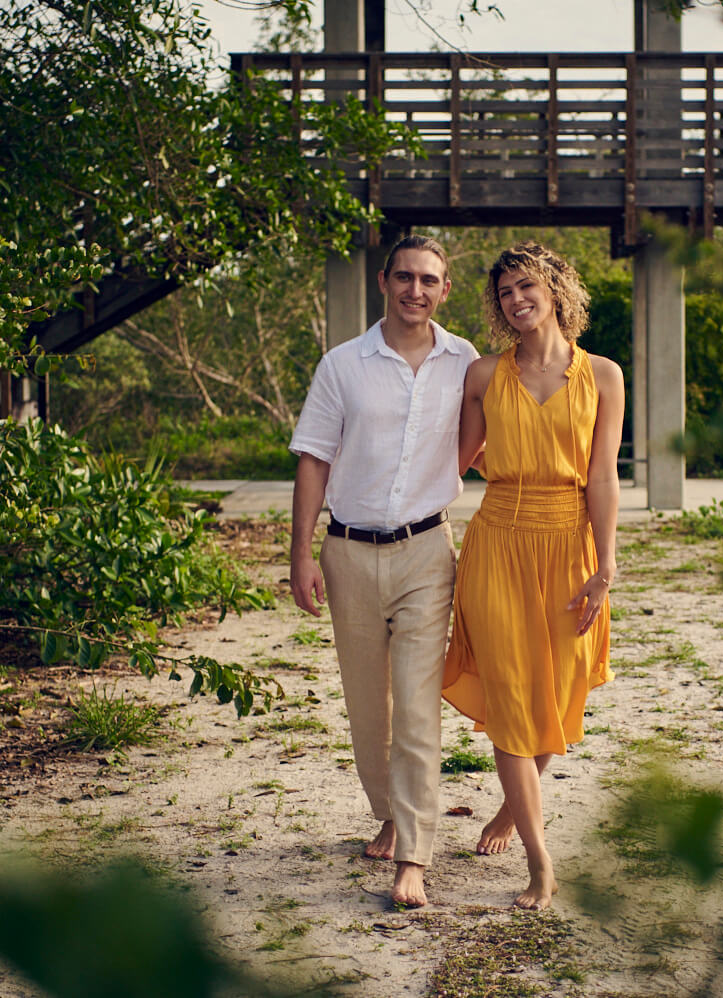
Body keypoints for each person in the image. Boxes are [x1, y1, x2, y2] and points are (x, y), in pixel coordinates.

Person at [288, 235, 480, 907]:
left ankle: (415, 860)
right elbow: (312, 457)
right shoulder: (343, 366)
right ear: (383, 281)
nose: (416, 290)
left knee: (418, 707)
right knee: (370, 706)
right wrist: (300, 554)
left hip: (428, 552)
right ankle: (390, 811)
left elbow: (480, 436)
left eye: (430, 280)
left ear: (445, 289)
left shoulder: (466, 363)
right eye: (405, 277)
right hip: (347, 552)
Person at [442, 240, 624, 910]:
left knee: (558, 696)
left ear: (555, 288)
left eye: (526, 287)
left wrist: (606, 566)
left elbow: (602, 476)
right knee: (515, 700)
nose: (517, 301)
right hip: (498, 542)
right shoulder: (484, 376)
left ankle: (512, 809)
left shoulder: (604, 374)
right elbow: (453, 462)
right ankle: (541, 864)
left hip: (570, 544)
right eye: (505, 294)